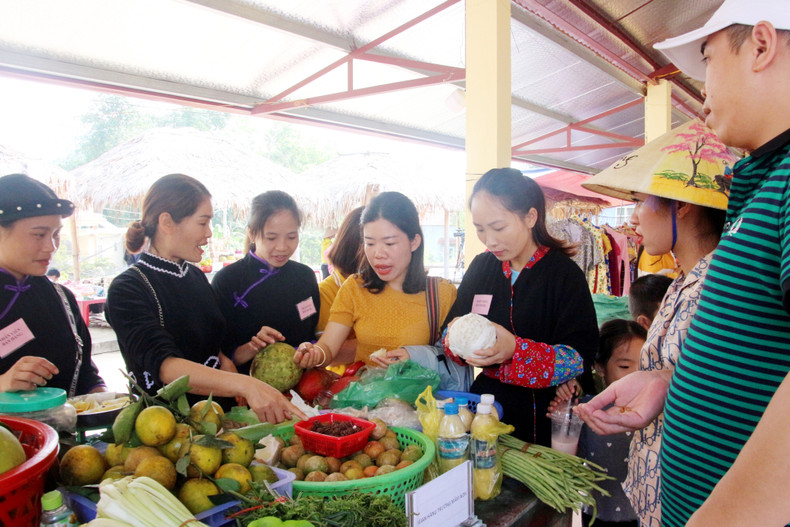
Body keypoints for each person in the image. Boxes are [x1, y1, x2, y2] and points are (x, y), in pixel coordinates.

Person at [577, 118, 734, 526]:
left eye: (640, 200)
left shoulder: (722, 288)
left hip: (695, 499)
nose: (632, 219)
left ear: (680, 203)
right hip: (658, 495)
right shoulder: (681, 282)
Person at [106, 174, 303, 424]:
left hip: (218, 419)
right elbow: (166, 368)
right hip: (167, 428)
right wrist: (245, 385)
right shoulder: (129, 288)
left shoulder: (195, 277)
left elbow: (209, 344)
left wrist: (227, 361)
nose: (209, 233)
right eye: (203, 223)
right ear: (167, 222)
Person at [440, 168, 598, 445]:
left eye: (499, 227)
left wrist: (515, 349)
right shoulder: (481, 267)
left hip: (546, 416)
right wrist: (456, 339)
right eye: (480, 229)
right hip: (486, 411)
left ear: (530, 217)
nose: (490, 240)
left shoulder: (563, 275)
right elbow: (448, 334)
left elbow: (578, 357)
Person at [293, 191, 457, 368]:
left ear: (414, 242)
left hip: (423, 395)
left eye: (389, 243)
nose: (378, 254)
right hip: (364, 393)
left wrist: (415, 357)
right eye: (369, 243)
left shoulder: (442, 293)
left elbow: (456, 357)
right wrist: (314, 353)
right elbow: (328, 347)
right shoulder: (355, 287)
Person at [0, 174, 106, 395]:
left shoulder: (61, 297)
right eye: (39, 234)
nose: (51, 246)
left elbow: (84, 370)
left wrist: (101, 397)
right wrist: (3, 383)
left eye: (56, 234)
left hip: (63, 428)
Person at [211, 191, 320, 374]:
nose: (283, 247)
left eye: (291, 237)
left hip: (301, 388)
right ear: (252, 233)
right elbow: (218, 353)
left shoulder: (305, 277)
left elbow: (311, 335)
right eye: (271, 238)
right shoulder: (228, 280)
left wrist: (310, 351)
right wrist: (253, 347)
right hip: (245, 389)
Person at [552, 319, 645, 527]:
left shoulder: (658, 410)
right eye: (624, 366)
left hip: (645, 516)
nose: (637, 376)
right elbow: (567, 461)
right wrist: (563, 411)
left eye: (645, 364)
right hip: (597, 516)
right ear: (599, 366)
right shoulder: (587, 409)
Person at [316, 206, 365, 366]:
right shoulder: (326, 292)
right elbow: (330, 353)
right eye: (370, 243)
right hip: (346, 382)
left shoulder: (386, 285)